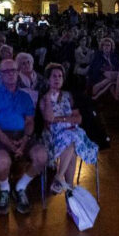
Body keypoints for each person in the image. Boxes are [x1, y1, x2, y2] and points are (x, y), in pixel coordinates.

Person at [0, 59, 48, 215]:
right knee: (2, 162)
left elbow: (30, 122)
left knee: (42, 156)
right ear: (1, 74)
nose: (10, 74)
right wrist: (9, 143)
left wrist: (24, 140)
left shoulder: (25, 96)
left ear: (18, 73)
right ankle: (4, 189)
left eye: (13, 70)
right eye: (6, 71)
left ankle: (20, 187)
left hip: (22, 135)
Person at [39, 64, 98, 194]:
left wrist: (60, 119)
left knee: (71, 140)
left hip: (71, 132)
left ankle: (60, 178)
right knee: (72, 143)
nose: (57, 79)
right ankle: (68, 189)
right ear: (48, 79)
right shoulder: (44, 98)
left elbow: (78, 118)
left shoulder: (67, 96)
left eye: (60, 76)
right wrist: (66, 118)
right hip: (53, 136)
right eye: (54, 76)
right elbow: (49, 118)